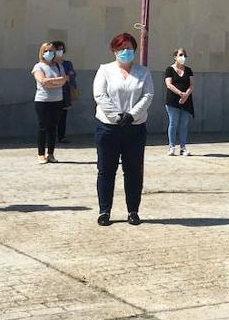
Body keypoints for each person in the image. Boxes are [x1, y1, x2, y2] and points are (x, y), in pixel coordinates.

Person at [93, 32, 154, 226]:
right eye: (121, 48)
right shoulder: (105, 70)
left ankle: (133, 210)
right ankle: (104, 211)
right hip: (108, 127)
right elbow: (100, 95)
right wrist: (116, 116)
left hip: (134, 127)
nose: (125, 52)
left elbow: (148, 95)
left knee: (133, 170)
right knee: (106, 170)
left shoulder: (143, 72)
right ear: (114, 51)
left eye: (128, 48)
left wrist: (131, 115)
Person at [32, 42, 68, 164]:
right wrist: (57, 81)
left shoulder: (58, 66)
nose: (49, 53)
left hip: (57, 100)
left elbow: (64, 81)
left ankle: (51, 154)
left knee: (53, 127)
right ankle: (41, 154)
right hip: (43, 100)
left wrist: (53, 82)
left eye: (51, 51)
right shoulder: (39, 66)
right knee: (43, 127)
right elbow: (42, 81)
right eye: (46, 50)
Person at [164, 47, 194, 156]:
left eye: (184, 55)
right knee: (173, 123)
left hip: (186, 100)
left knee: (184, 124)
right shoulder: (169, 70)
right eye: (180, 55)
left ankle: (183, 147)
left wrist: (186, 95)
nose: (183, 57)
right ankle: (171, 147)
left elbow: (191, 85)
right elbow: (169, 84)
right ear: (175, 57)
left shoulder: (188, 70)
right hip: (173, 100)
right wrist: (180, 93)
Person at [54, 40, 78, 143]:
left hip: (65, 92)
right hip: (53, 93)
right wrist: (63, 78)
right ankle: (50, 137)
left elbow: (71, 76)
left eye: (61, 49)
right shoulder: (50, 64)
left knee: (63, 117)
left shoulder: (67, 63)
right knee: (51, 117)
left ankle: (61, 136)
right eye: (58, 49)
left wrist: (66, 78)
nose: (60, 51)